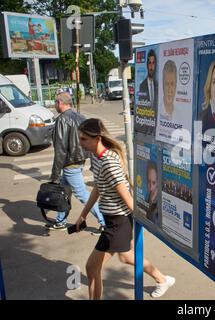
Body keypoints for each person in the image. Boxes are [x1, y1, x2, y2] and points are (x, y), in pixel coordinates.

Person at [74, 118, 175, 299]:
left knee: (91, 268)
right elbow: (98, 187)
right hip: (112, 220)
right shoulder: (97, 158)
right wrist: (83, 215)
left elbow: (127, 196)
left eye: (83, 139)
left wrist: (148, 222)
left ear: (97, 138)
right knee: (127, 257)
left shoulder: (109, 163)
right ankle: (162, 279)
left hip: (118, 223)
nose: (80, 143)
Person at [48, 92, 105, 233]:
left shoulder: (62, 120)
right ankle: (60, 221)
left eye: (56, 102)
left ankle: (105, 222)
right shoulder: (79, 116)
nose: (55, 105)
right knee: (64, 192)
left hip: (70, 163)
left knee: (82, 194)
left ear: (60, 103)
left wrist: (54, 175)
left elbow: (60, 149)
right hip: (79, 160)